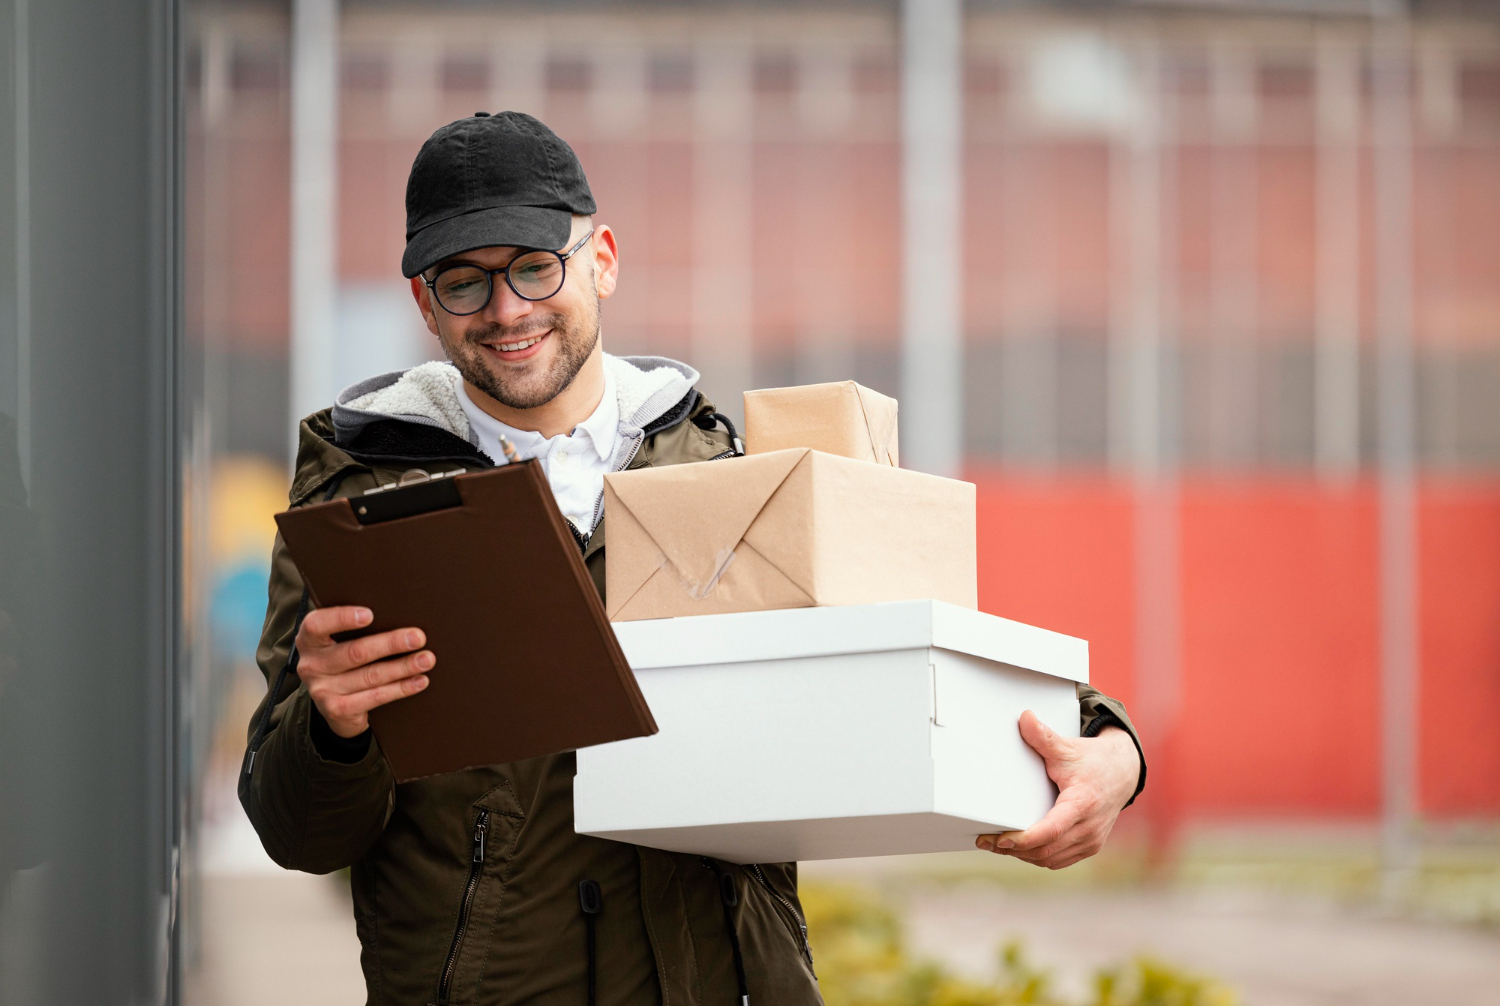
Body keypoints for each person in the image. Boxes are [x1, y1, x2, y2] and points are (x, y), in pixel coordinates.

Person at [241, 111, 1146, 1006]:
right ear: (424, 302)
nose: (507, 309)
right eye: (464, 284)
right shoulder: (357, 510)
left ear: (601, 261)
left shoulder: (729, 474)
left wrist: (1112, 749)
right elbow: (300, 835)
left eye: (533, 267)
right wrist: (330, 728)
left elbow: (906, 650)